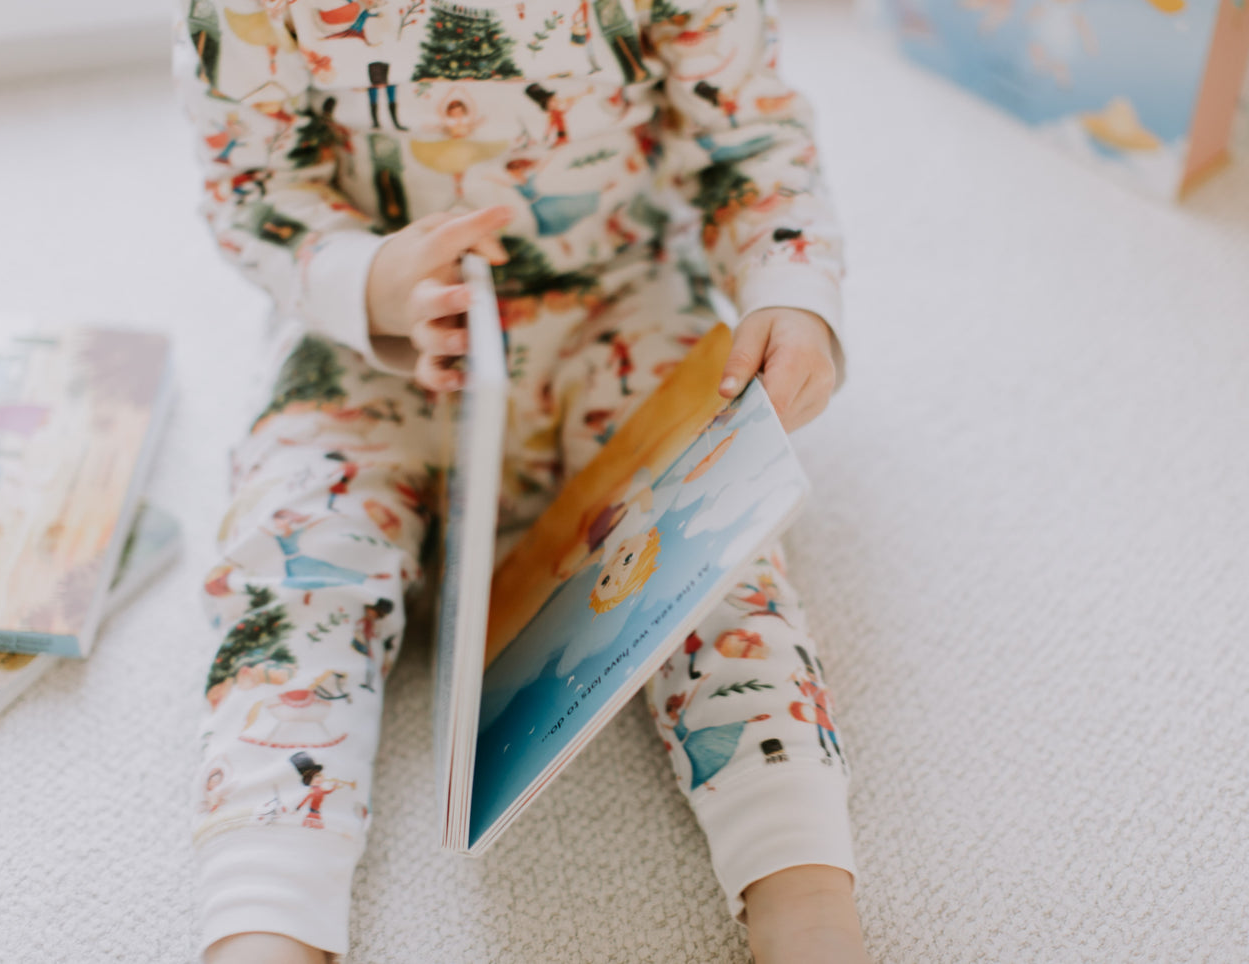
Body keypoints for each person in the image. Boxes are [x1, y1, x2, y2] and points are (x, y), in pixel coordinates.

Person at [177, 0, 865, 961]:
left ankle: (802, 893)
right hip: (383, 356)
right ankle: (266, 915)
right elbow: (251, 189)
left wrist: (792, 297)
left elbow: (752, 141)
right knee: (295, 571)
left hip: (620, 307)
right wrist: (372, 283)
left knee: (724, 566)